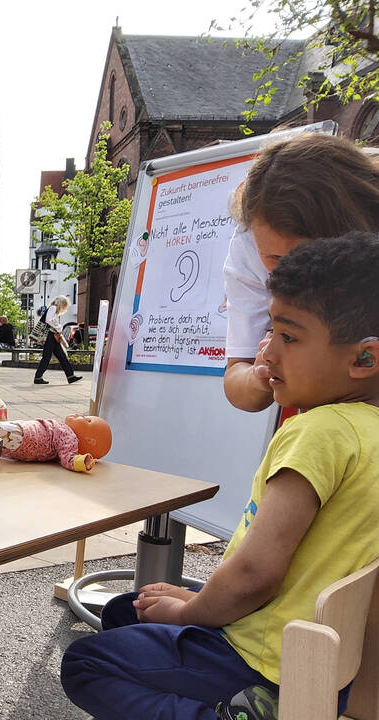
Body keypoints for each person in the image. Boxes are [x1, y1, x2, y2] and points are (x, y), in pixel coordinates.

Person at [60, 232, 379, 720]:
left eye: (289, 337)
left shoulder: (318, 432)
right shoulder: (368, 432)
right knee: (128, 609)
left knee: (85, 663)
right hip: (322, 660)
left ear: (364, 359)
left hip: (261, 660)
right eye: (270, 331)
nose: (267, 353)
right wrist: (196, 599)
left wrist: (190, 612)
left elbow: (256, 575)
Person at [223, 132, 379, 412]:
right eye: (272, 258)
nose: (286, 271)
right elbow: (237, 372)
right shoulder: (249, 240)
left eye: (303, 254)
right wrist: (260, 376)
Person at [33, 295, 81, 385]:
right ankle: (38, 377)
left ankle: (70, 376)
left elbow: (49, 320)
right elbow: (48, 320)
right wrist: (59, 327)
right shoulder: (53, 308)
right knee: (47, 357)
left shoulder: (53, 309)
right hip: (50, 335)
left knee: (61, 356)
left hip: (52, 336)